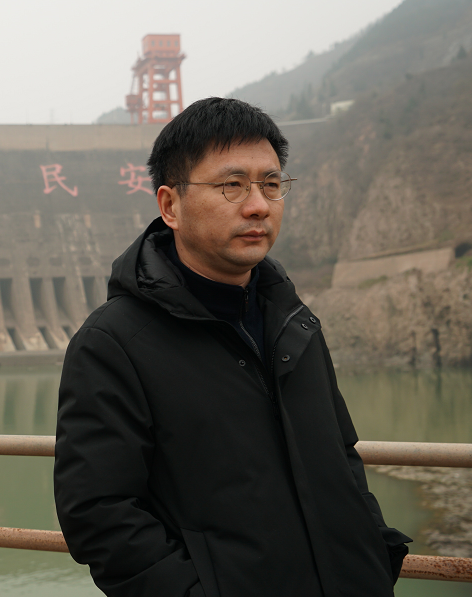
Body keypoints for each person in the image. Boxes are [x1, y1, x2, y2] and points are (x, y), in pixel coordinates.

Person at [53, 97, 410, 597]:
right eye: (232, 185)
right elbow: (98, 515)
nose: (258, 204)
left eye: (271, 184)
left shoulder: (294, 322)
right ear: (170, 206)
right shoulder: (113, 345)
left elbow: (341, 455)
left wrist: (375, 554)